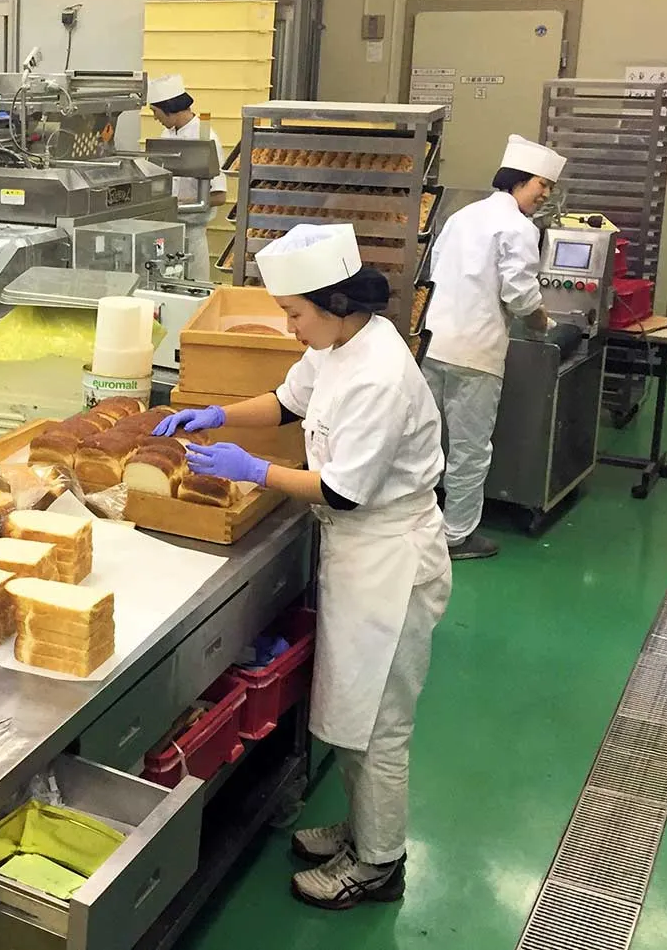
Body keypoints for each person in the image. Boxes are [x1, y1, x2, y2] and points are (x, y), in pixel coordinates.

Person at [155, 224, 451, 911]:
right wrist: (216, 414)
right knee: (355, 712)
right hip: (357, 553)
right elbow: (288, 401)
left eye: (294, 312)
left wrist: (255, 468)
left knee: (378, 724)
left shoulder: (379, 371)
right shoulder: (338, 342)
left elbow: (345, 487)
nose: (289, 327)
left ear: (337, 301)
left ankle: (380, 864)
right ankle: (365, 831)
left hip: (390, 558)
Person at [422, 135, 564, 561]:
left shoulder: (463, 216)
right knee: (469, 449)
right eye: (543, 184)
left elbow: (434, 270)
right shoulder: (518, 228)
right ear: (519, 179)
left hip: (430, 344)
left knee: (424, 440)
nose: (545, 194)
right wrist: (542, 323)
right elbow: (520, 295)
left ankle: (413, 524)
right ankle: (456, 536)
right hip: (476, 354)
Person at [147, 74, 228, 283]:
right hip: (166, 231)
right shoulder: (167, 136)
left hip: (192, 233)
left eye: (155, 112)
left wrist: (185, 203)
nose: (155, 118)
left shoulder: (205, 138)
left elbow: (219, 196)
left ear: (170, 108)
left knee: (193, 288)